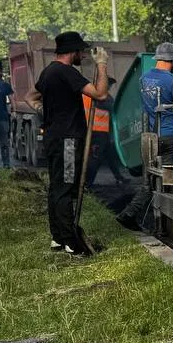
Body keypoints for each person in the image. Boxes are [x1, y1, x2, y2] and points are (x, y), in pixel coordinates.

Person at [25, 32, 109, 255]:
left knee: (57, 187)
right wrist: (102, 64)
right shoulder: (66, 72)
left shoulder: (48, 72)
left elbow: (29, 97)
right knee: (66, 188)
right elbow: (100, 94)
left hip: (54, 138)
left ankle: (58, 238)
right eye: (81, 51)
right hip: (68, 142)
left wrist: (43, 110)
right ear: (73, 51)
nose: (83, 55)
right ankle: (71, 243)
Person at [116, 42, 173, 230]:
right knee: (171, 182)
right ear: (172, 60)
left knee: (149, 181)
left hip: (151, 138)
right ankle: (170, 226)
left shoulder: (144, 79)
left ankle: (128, 214)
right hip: (170, 137)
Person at [85, 78, 130, 186]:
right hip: (96, 133)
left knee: (110, 156)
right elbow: (112, 107)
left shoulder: (96, 94)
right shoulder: (100, 95)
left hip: (102, 132)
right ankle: (87, 183)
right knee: (95, 159)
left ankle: (119, 177)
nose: (109, 87)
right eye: (108, 84)